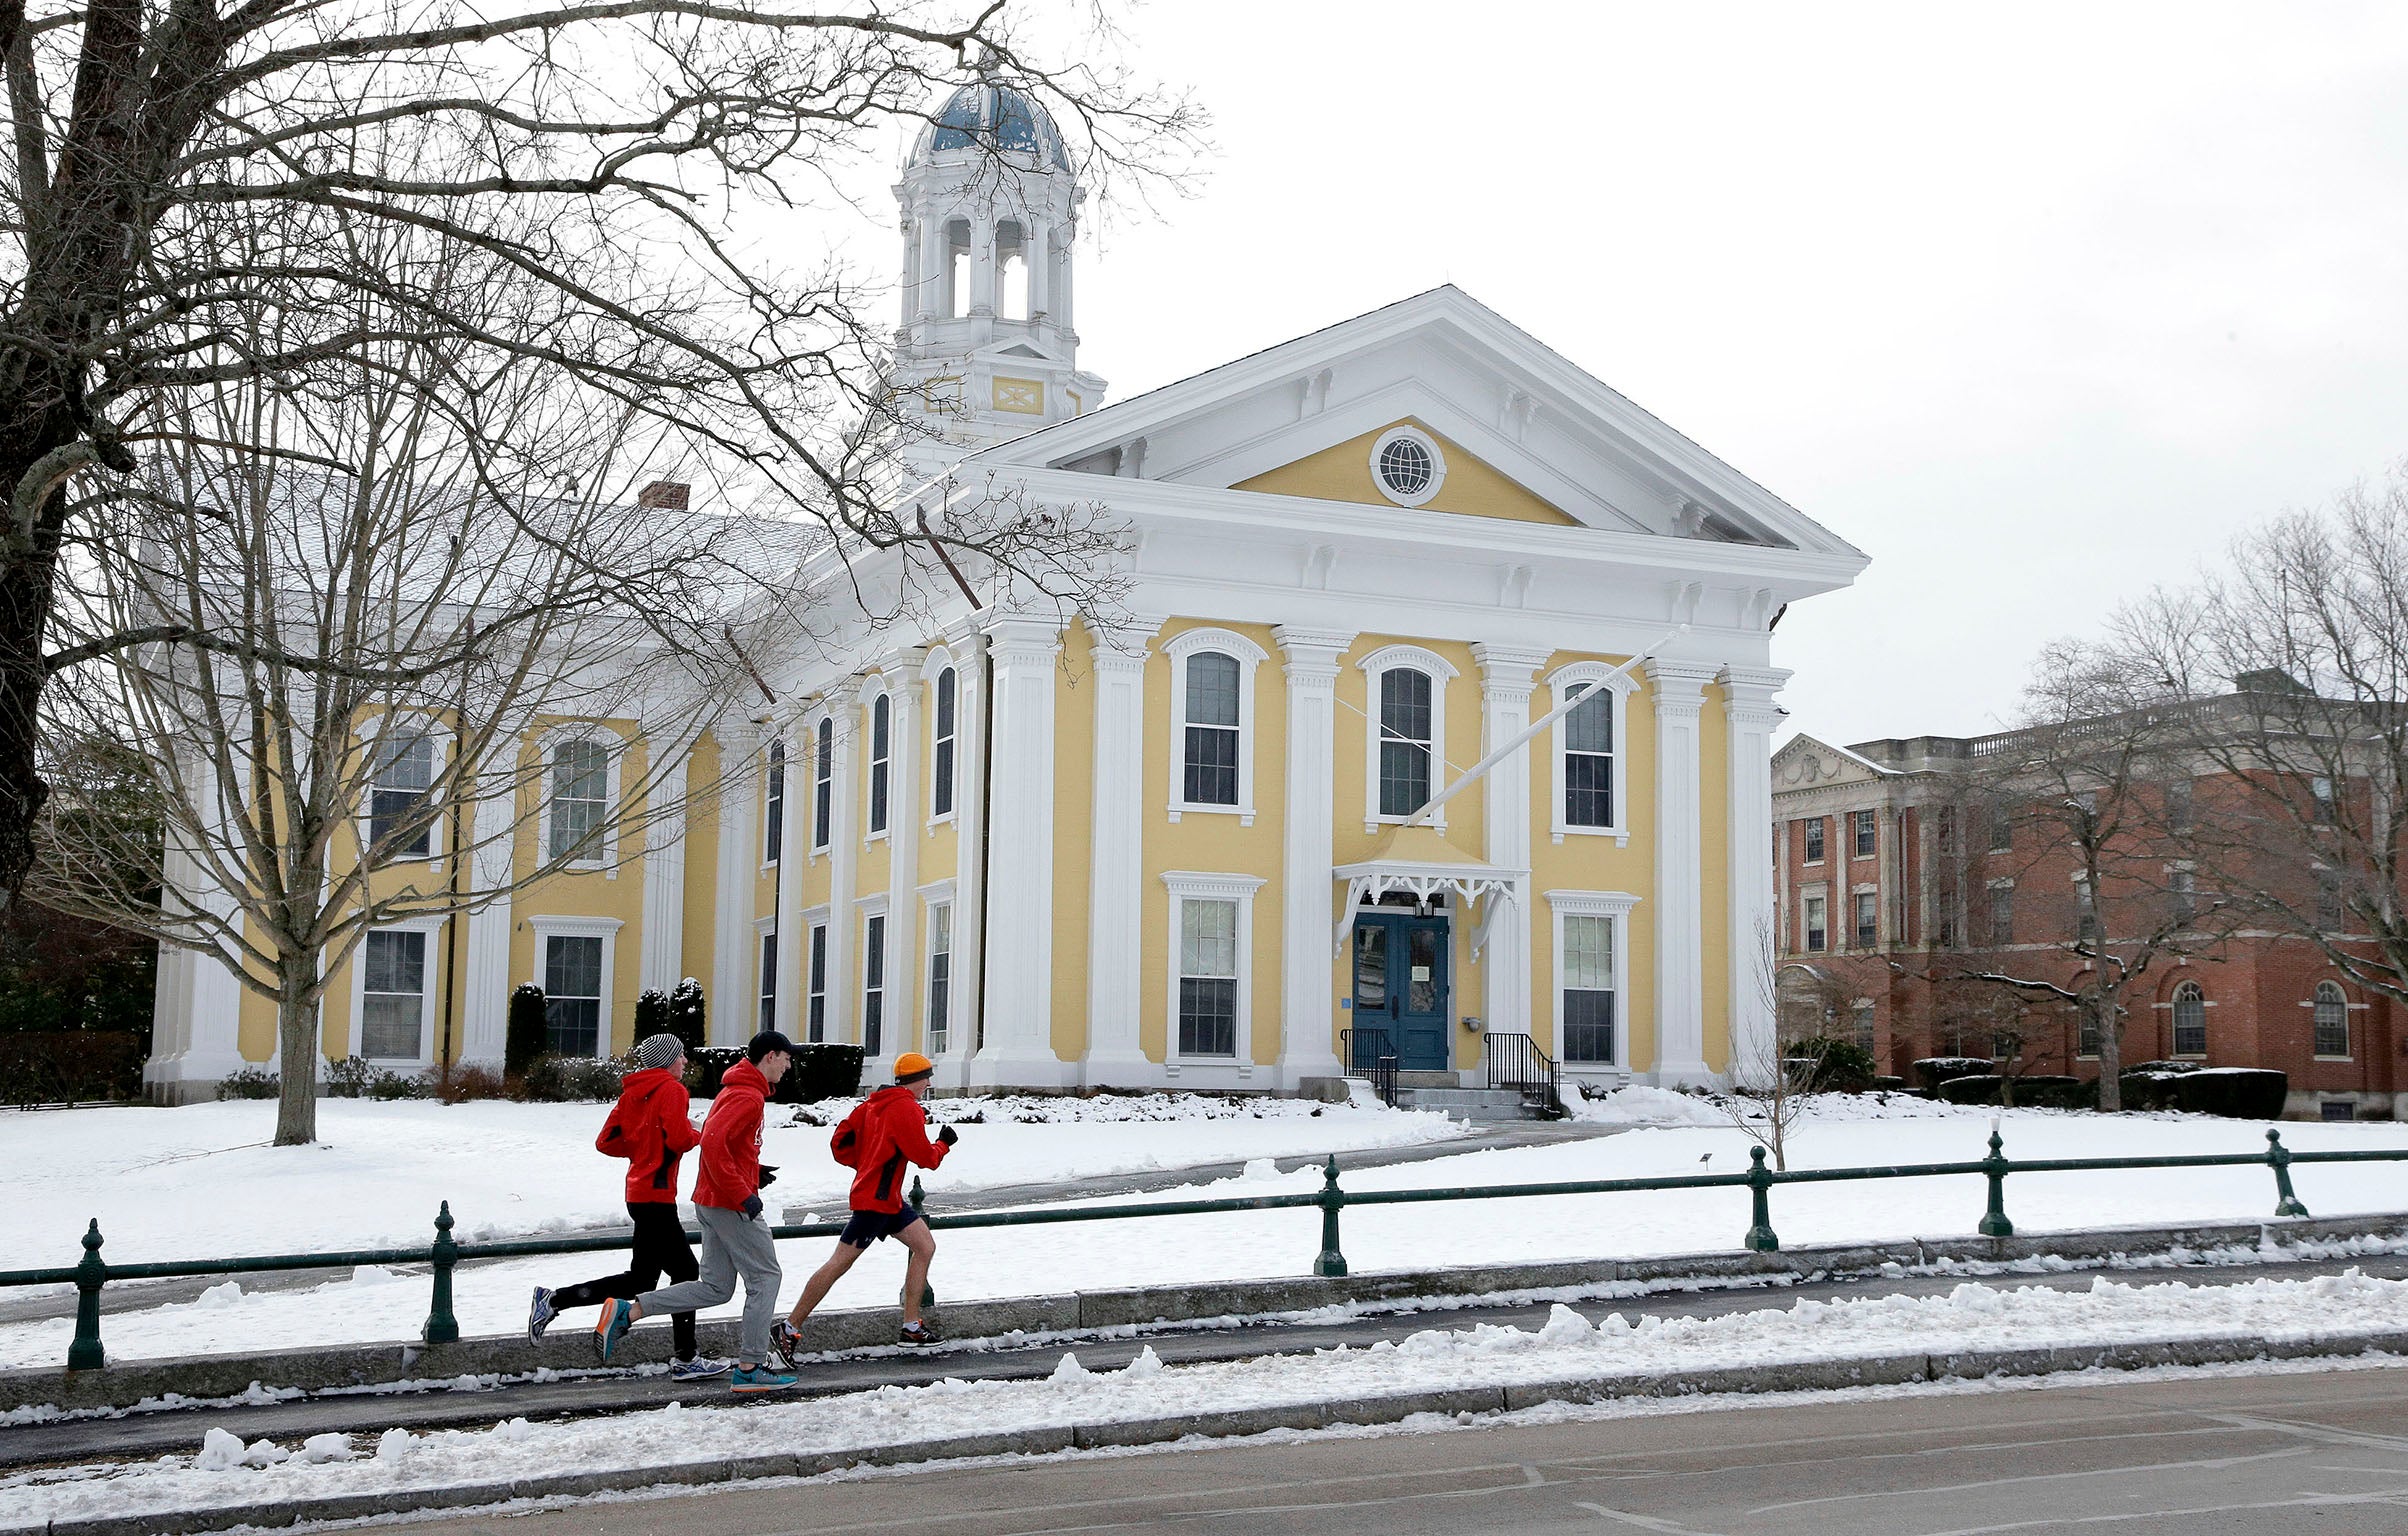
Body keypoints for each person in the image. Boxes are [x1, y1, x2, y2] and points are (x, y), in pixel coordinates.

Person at [596, 1030, 795, 1393]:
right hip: (729, 1203)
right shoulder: (747, 1096)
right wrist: (744, 1194)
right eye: (786, 1058)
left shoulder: (734, 1090)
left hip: (711, 1199)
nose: (788, 1065)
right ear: (769, 1056)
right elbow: (714, 1144)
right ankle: (751, 1366)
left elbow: (722, 1141)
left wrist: (753, 1170)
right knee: (766, 1277)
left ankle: (631, 1311)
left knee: (716, 1287)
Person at [525, 1033, 727, 1381]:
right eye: (680, 1056)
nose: (685, 1062)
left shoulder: (632, 1092)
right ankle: (686, 1357)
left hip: (637, 1193)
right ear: (667, 1059)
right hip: (657, 1197)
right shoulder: (673, 1091)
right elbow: (679, 1139)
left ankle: (554, 1300)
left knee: (641, 1278)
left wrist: (640, 1149)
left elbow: (606, 1141)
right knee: (687, 1273)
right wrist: (701, 1131)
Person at [769, 1049, 956, 1363]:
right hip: (875, 1203)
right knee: (837, 1265)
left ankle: (911, 1327)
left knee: (924, 1245)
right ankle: (789, 1328)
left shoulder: (870, 1105)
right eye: (927, 1079)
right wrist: (944, 1144)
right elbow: (926, 1158)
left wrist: (866, 1164)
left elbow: (839, 1143)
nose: (927, 1085)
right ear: (917, 1080)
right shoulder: (906, 1109)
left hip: (888, 1201)